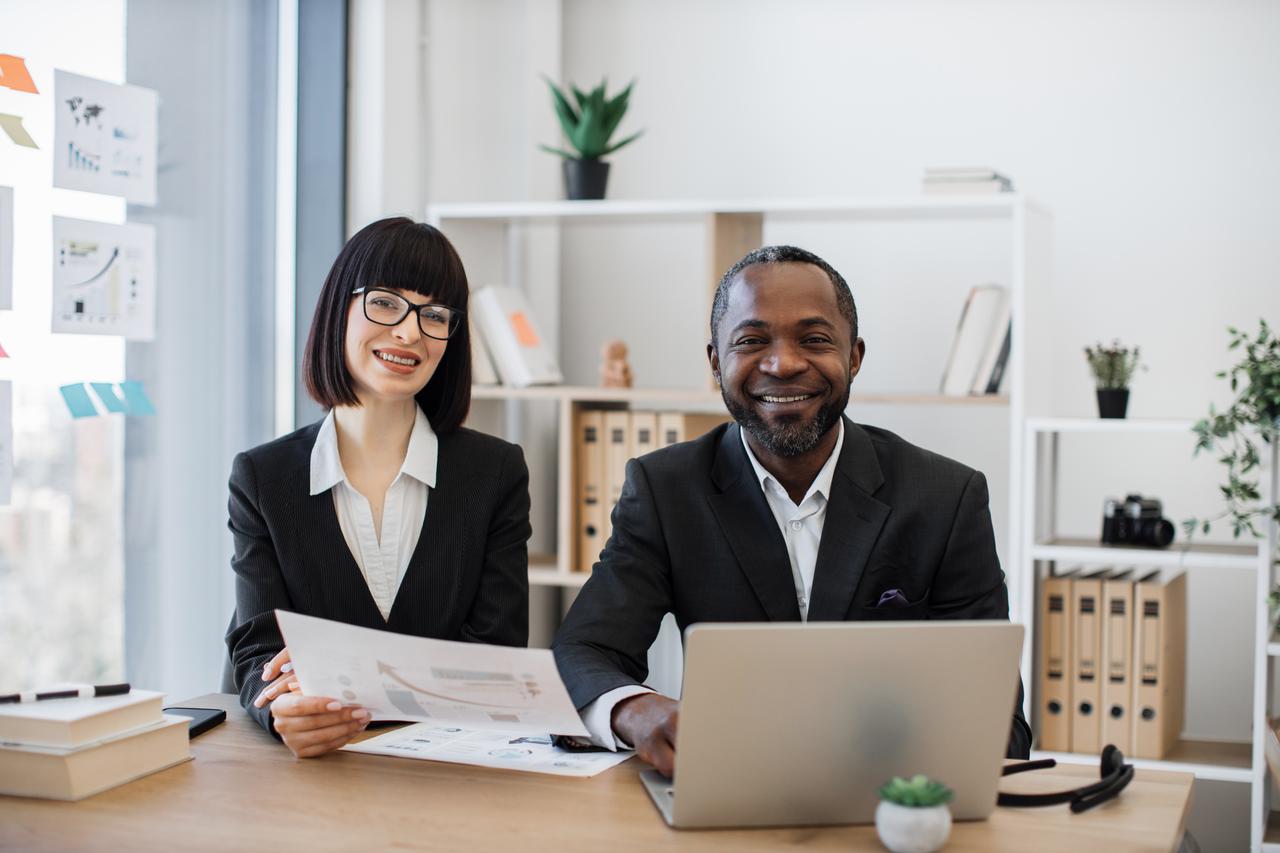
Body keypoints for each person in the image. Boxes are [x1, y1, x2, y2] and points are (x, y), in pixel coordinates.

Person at [552, 244, 1032, 776]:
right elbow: (583, 652)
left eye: (814, 339)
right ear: (716, 362)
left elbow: (1001, 722)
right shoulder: (666, 490)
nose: (783, 364)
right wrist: (633, 709)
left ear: (854, 357)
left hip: (892, 792)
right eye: (752, 341)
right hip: (728, 784)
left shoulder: (946, 497)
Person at [226, 217, 531, 758]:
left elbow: (495, 658)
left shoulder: (495, 473)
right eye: (386, 303)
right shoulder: (263, 478)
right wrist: (283, 711)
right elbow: (259, 650)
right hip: (317, 768)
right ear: (338, 308)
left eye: (434, 315)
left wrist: (345, 677)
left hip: (447, 767)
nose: (410, 333)